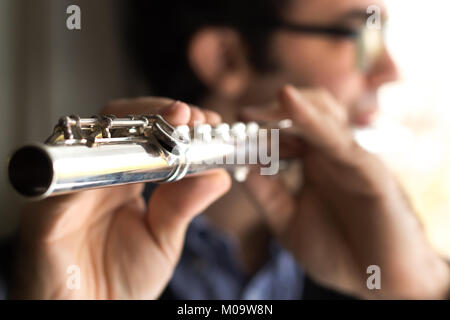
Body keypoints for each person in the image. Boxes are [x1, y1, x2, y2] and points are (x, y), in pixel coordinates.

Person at [4, 0, 450, 299]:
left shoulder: (363, 256)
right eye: (358, 35)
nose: (390, 71)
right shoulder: (32, 274)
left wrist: (424, 289)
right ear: (226, 57)